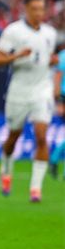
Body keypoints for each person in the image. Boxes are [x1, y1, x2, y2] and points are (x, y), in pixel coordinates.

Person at [0, 0, 58, 202]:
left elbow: (46, 61)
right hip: (19, 90)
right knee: (13, 137)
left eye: (41, 9)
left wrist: (51, 62)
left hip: (42, 90)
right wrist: (16, 56)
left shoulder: (50, 33)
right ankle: (6, 171)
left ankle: (35, 189)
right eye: (34, 8)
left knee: (41, 136)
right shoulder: (13, 31)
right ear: (25, 9)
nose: (38, 13)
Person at [49, 44, 65, 179]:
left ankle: (54, 159)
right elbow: (58, 76)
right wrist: (59, 100)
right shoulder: (63, 56)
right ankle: (54, 158)